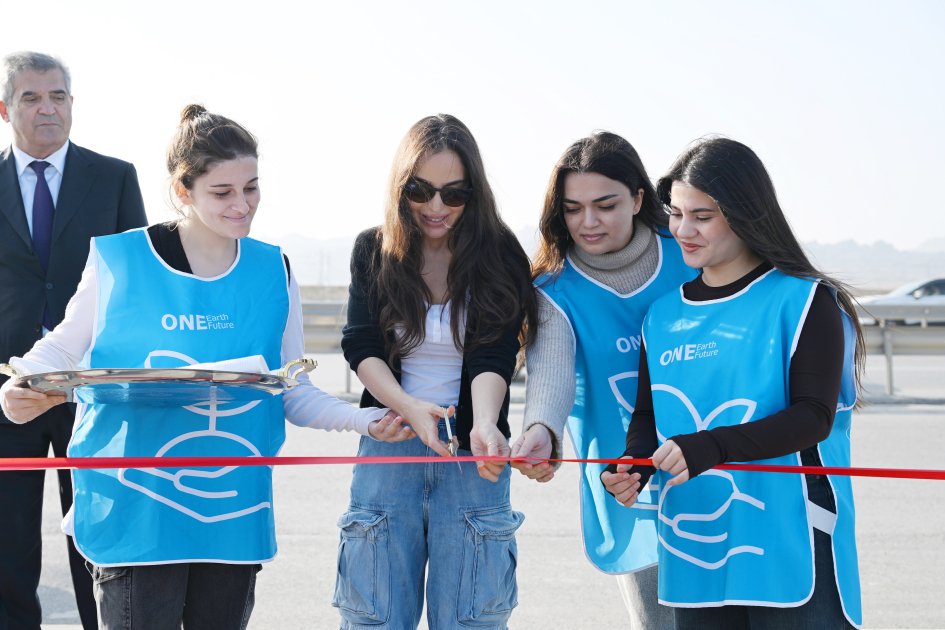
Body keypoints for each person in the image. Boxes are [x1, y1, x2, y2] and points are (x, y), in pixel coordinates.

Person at [0, 104, 409, 630]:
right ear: (183, 191)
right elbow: (60, 348)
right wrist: (21, 385)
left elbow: (292, 389)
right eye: (222, 192)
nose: (242, 205)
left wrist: (366, 420)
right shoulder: (120, 260)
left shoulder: (273, 269)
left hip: (230, 512)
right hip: (135, 510)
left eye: (252, 188)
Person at [602, 137, 864, 628]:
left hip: (789, 543)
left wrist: (710, 447)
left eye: (702, 216)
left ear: (745, 214)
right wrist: (633, 465)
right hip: (694, 547)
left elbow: (813, 417)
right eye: (676, 214)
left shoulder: (803, 300)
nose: (683, 230)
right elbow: (649, 415)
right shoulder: (662, 316)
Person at [335, 113, 536, 630]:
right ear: (400, 187)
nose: (436, 207)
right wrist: (408, 408)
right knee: (374, 620)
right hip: (390, 443)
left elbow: (495, 352)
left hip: (474, 457)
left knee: (471, 622)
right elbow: (361, 346)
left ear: (475, 193)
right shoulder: (373, 250)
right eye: (420, 191)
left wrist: (484, 424)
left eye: (455, 193)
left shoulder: (500, 254)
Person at [510, 132, 694, 629]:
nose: (587, 222)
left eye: (605, 205)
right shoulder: (554, 289)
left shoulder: (689, 252)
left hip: (715, 467)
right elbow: (550, 373)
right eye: (572, 209)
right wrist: (541, 431)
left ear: (637, 199)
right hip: (630, 482)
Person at [0, 51, 147, 630]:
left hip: (92, 388)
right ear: (6, 109)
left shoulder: (114, 178)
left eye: (58, 96)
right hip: (8, 390)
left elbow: (137, 285)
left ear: (72, 104)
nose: (48, 109)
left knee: (95, 532)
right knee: (7, 538)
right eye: (32, 98)